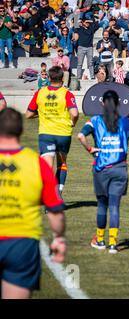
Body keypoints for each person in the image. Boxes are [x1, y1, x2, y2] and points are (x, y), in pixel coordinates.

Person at [0, 108, 66, 299]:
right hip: (21, 243)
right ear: (20, 131)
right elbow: (54, 209)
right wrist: (59, 238)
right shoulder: (37, 164)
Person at [77, 90, 129, 254]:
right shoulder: (126, 122)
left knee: (102, 205)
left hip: (102, 167)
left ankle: (100, 240)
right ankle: (113, 244)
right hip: (120, 167)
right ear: (118, 104)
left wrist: (90, 148)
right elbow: (126, 139)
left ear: (102, 104)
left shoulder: (94, 121)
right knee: (115, 206)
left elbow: (80, 135)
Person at [25, 66, 79, 195]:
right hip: (63, 134)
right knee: (62, 164)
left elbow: (28, 115)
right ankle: (58, 193)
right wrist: (73, 122)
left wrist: (41, 113)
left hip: (46, 134)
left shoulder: (40, 92)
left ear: (49, 78)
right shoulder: (67, 93)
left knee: (47, 167)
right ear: (62, 78)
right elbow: (75, 113)